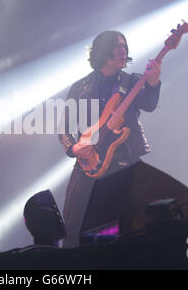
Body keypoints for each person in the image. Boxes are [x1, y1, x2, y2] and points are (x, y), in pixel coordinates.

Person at [58, 30, 161, 247]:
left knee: (129, 229)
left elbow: (149, 105)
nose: (124, 51)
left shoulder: (132, 81)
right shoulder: (80, 87)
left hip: (125, 162)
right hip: (88, 165)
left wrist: (153, 83)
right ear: (104, 52)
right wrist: (73, 148)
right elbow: (63, 127)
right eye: (118, 46)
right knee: (73, 228)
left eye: (125, 46)